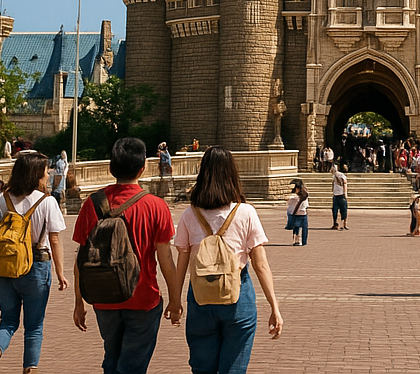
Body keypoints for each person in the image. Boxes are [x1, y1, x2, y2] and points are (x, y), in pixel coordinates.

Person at [168, 146, 283, 373]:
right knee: (234, 369)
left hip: (200, 297)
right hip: (237, 296)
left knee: (202, 368)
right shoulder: (246, 212)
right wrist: (274, 306)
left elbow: (182, 262)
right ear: (232, 174)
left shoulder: (190, 214)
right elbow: (260, 265)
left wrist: (175, 300)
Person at [72, 137, 177, 374]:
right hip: (143, 298)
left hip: (102, 296)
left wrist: (79, 301)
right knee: (132, 365)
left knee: (112, 356)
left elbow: (80, 260)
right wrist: (175, 298)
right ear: (143, 168)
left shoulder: (93, 203)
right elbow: (166, 260)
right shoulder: (156, 206)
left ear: (111, 168)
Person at [0, 151, 68, 374]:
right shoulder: (47, 202)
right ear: (36, 174)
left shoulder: (4, 199)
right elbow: (54, 240)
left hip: (4, 267)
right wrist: (60, 273)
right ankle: (30, 369)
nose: (48, 175)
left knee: (8, 320)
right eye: (45, 171)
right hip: (36, 266)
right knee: (34, 326)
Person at [287, 180, 309, 246]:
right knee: (304, 228)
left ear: (297, 189)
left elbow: (289, 202)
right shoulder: (305, 195)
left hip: (296, 214)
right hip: (303, 214)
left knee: (296, 228)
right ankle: (304, 241)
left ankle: (297, 241)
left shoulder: (295, 197)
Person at [330, 164, 348, 230]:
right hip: (335, 195)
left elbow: (345, 183)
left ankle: (344, 224)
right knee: (334, 211)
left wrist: (345, 193)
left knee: (343, 210)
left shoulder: (341, 175)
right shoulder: (334, 176)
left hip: (341, 195)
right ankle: (335, 224)